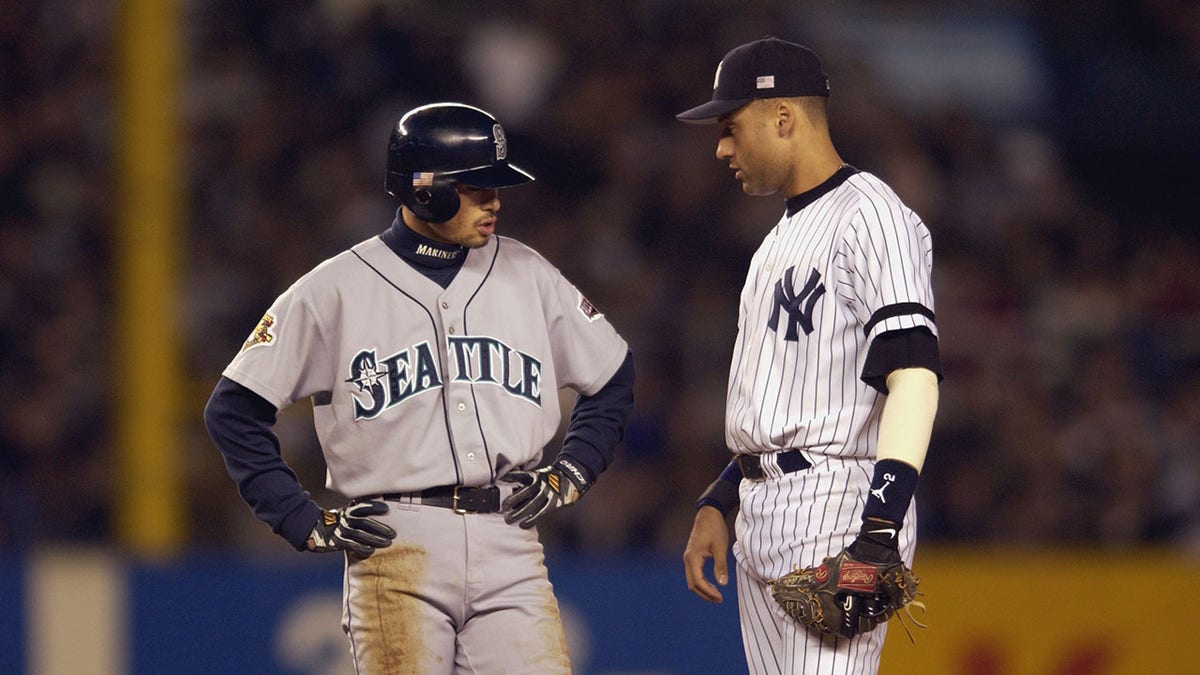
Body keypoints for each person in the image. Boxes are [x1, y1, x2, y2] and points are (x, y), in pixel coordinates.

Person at [204, 102, 634, 674]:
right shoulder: (334, 291)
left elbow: (613, 375)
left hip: (509, 535)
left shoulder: (530, 274)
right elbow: (233, 410)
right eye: (478, 188)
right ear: (426, 190)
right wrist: (300, 518)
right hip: (394, 545)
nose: (495, 202)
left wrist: (574, 469)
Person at [676, 37, 942, 674]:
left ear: (783, 118)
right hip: (764, 508)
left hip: (837, 503)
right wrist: (721, 496)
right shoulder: (775, 242)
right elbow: (785, 400)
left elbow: (915, 379)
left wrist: (879, 526)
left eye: (731, 127)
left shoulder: (872, 215)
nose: (721, 147)